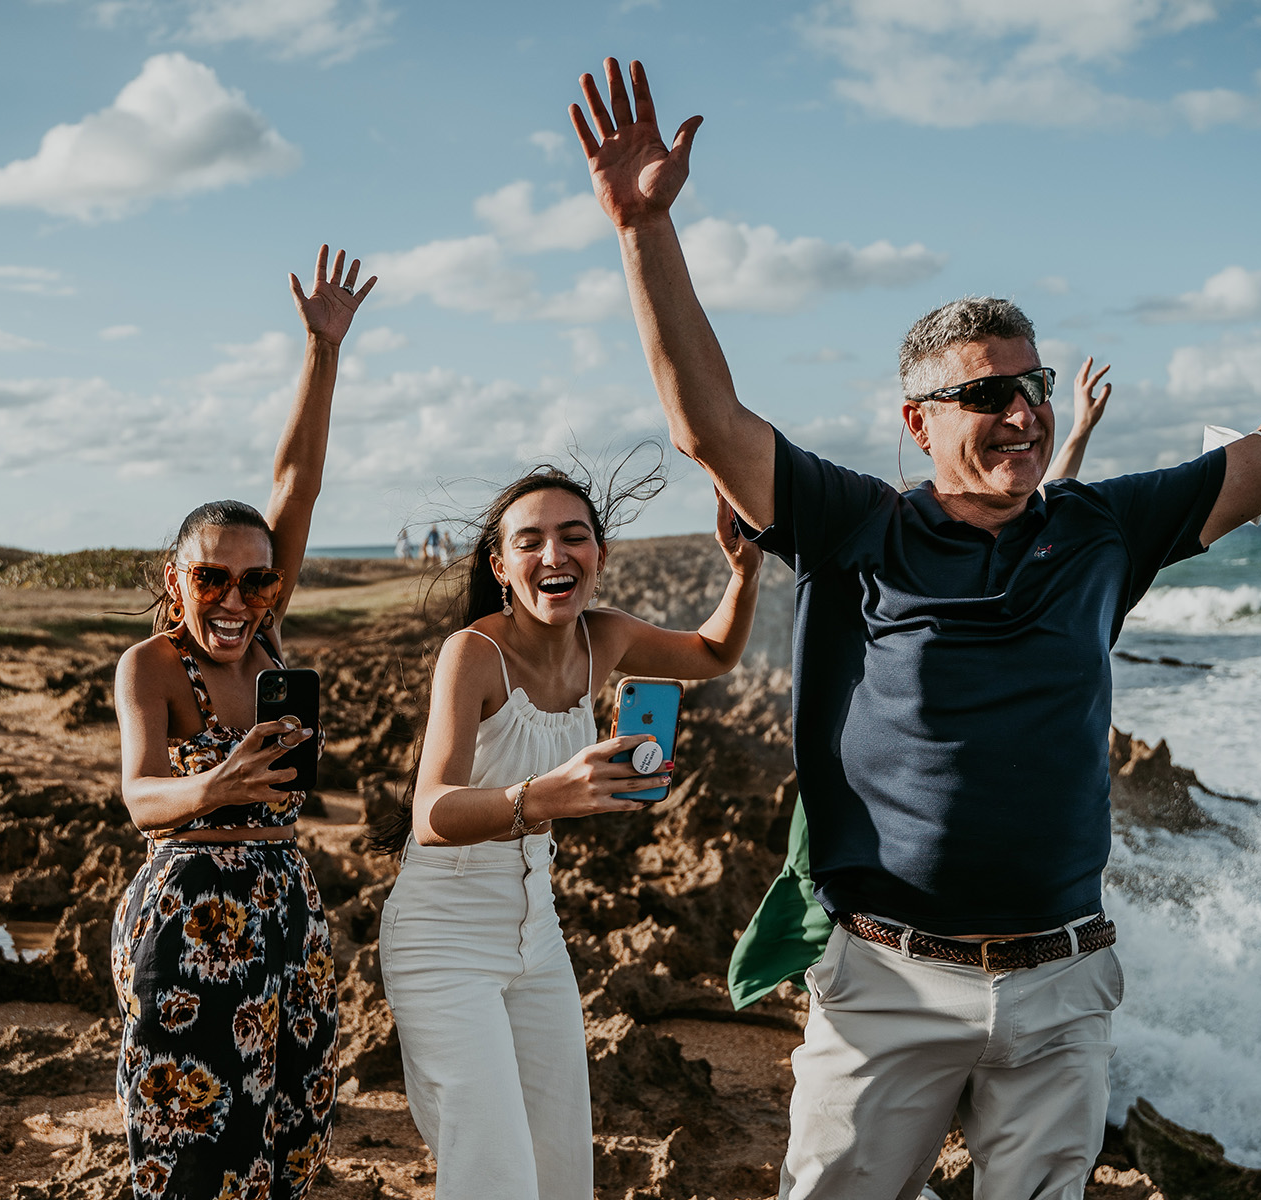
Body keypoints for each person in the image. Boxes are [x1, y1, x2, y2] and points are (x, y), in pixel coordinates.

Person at [573, 57, 1261, 1199]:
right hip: (889, 981)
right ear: (916, 421)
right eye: (988, 393)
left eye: (1033, 385)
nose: (1022, 411)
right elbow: (708, 425)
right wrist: (643, 229)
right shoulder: (859, 525)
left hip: (1061, 983)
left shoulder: (1106, 527)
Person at [372, 470, 762, 1199]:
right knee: (496, 1176)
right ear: (501, 566)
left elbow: (713, 655)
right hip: (443, 940)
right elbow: (431, 814)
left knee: (559, 1176)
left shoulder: (604, 638)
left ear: (600, 555)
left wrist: (744, 571)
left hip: (537, 941)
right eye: (532, 541)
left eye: (574, 536)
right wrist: (550, 796)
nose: (556, 553)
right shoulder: (472, 654)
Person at [110, 246, 376, 1200]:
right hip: (188, 915)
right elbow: (141, 794)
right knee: (193, 1139)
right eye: (210, 576)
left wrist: (322, 350)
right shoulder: (152, 666)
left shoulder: (267, 634)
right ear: (177, 580)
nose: (234, 596)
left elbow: (296, 481)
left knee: (288, 1127)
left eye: (254, 577)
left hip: (287, 910)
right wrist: (211, 789)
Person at [729, 356, 1117, 1011]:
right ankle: (824, 978)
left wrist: (1077, 431)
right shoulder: (874, 541)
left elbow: (1047, 506)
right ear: (922, 431)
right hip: (871, 772)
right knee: (826, 877)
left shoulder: (1004, 534)